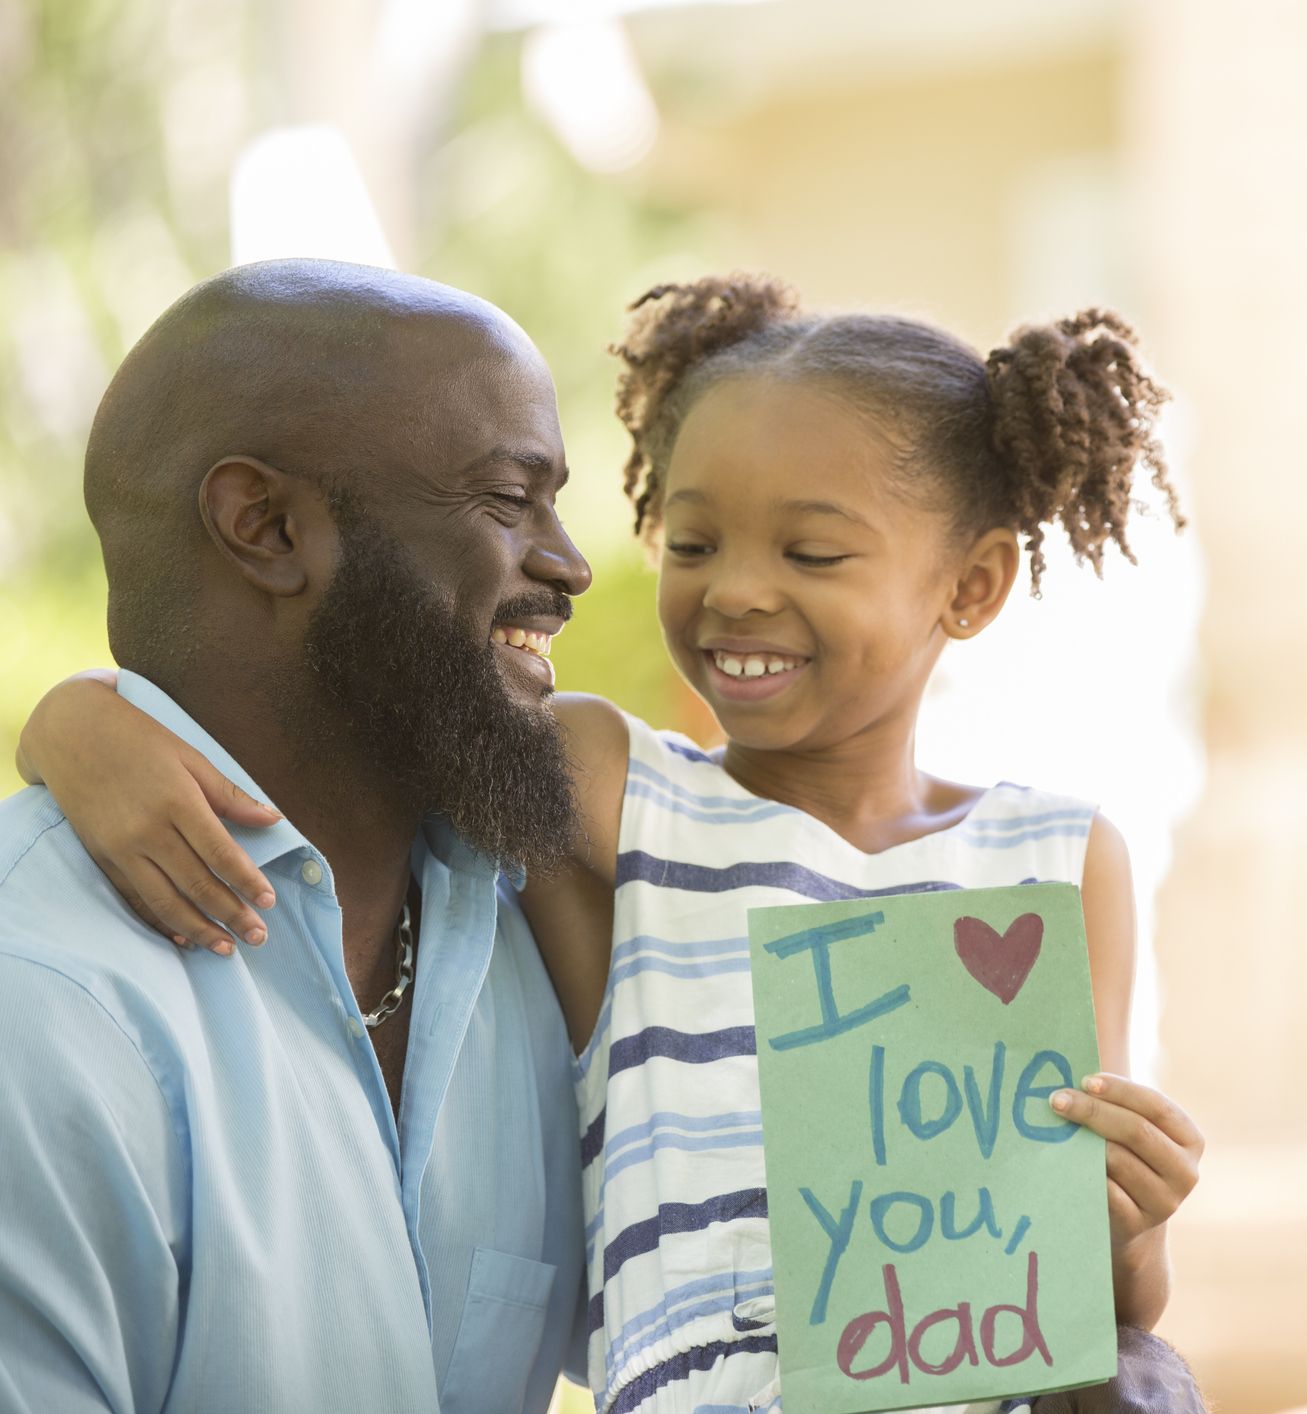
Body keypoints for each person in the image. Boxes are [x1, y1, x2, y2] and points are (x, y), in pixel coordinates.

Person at [22, 274, 1208, 1413]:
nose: (733, 592)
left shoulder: (1056, 859)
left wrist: (1132, 1222)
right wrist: (75, 721)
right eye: (691, 546)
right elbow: (345, 720)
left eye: (811, 553)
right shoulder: (615, 798)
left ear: (974, 587)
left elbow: (1086, 1283)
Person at [0, 259, 592, 1413]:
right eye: (508, 501)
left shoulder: (544, 913)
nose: (569, 564)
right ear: (267, 528)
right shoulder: (42, 1001)